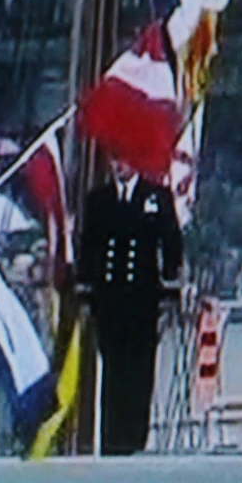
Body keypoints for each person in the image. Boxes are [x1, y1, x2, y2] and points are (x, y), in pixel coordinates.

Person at [75, 157, 183, 455]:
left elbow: (171, 244)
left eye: (124, 159)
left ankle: (135, 438)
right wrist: (85, 295)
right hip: (109, 300)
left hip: (142, 300)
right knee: (112, 370)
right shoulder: (99, 200)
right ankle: (111, 439)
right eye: (114, 160)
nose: (119, 165)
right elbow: (89, 247)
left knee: (139, 372)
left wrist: (170, 293)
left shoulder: (156, 196)